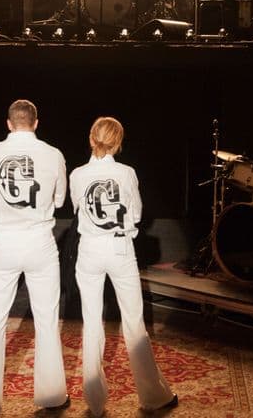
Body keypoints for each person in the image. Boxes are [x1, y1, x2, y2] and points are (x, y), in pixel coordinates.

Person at [70, 117, 176, 417]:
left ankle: (94, 402)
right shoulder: (127, 173)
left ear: (91, 139)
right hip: (119, 248)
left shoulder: (77, 174)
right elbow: (137, 214)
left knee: (92, 322)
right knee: (133, 322)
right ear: (118, 143)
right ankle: (153, 396)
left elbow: (77, 208)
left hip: (90, 250)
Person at [0, 100, 70, 410]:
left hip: (3, 241)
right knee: (46, 320)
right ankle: (52, 396)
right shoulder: (53, 154)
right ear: (36, 123)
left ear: (9, 123)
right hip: (40, 241)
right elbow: (59, 200)